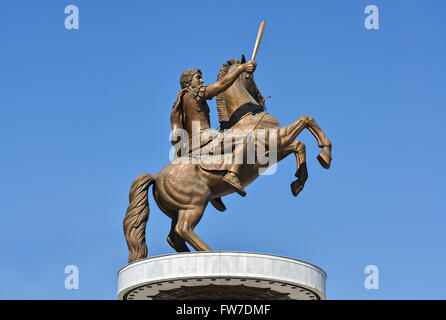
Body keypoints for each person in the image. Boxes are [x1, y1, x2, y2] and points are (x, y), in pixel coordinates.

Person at [170, 60, 257, 197]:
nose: (202, 80)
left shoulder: (180, 101)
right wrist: (240, 69)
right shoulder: (194, 93)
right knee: (247, 137)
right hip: (205, 139)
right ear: (188, 83)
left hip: (193, 146)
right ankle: (232, 175)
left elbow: (176, 133)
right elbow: (220, 85)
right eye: (198, 77)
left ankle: (213, 190)